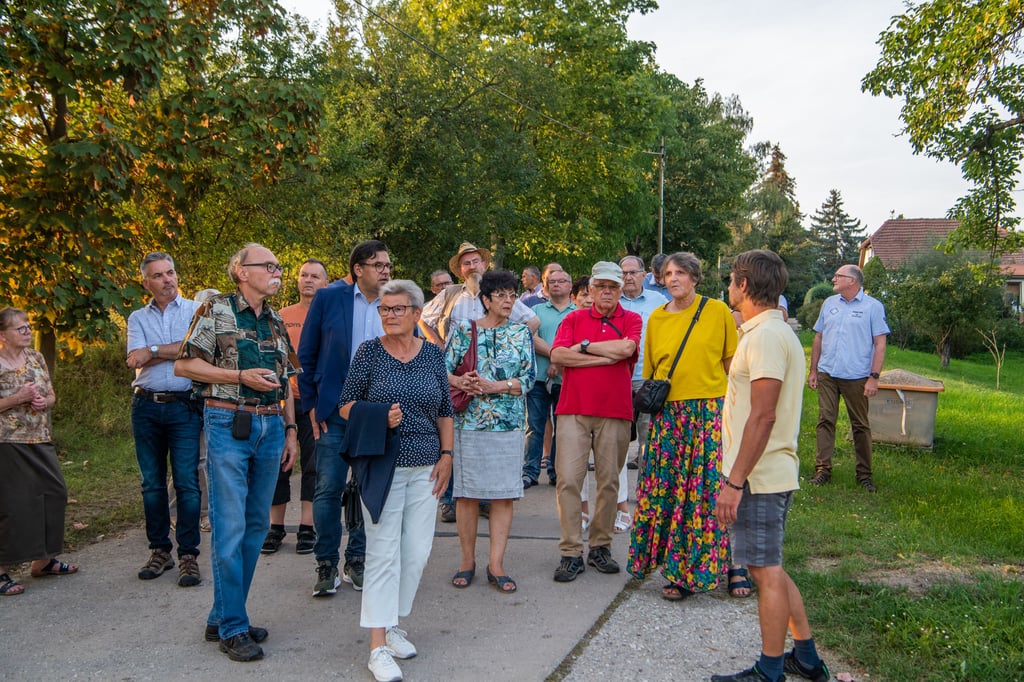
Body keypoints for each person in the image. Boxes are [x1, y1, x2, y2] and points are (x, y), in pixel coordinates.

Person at [174, 243, 299, 663]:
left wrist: (291, 430)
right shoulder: (216, 310)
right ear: (242, 272)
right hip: (229, 422)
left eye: (278, 265)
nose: (277, 270)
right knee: (229, 528)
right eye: (269, 265)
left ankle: (224, 615)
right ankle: (232, 628)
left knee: (256, 525)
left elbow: (287, 381)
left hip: (271, 426)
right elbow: (185, 366)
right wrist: (239, 375)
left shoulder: (275, 319)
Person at [712, 249, 830, 682]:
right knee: (771, 566)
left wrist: (735, 480)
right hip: (768, 471)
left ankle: (770, 670)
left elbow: (763, 415)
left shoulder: (763, 337)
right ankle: (807, 658)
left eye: (731, 280)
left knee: (764, 571)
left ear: (744, 286)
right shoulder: (770, 331)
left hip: (759, 475)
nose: (728, 287)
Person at [337, 279, 454, 682]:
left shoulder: (432, 356)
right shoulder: (369, 353)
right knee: (383, 553)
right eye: (384, 309)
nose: (389, 315)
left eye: (398, 309)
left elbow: (444, 410)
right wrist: (378, 414)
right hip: (382, 465)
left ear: (417, 313)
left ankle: (392, 625)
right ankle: (377, 647)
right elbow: (345, 405)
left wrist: (447, 456)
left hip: (426, 467)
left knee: (417, 552)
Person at [627, 252, 738, 601]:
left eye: (680, 273)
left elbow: (731, 364)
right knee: (668, 492)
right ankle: (673, 570)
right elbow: (654, 366)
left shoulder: (716, 311)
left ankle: (716, 567)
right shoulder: (657, 318)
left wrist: (734, 411)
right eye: (668, 273)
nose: (672, 278)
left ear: (694, 277)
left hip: (706, 412)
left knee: (703, 494)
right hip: (667, 416)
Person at [419, 241, 539, 522]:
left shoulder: (503, 295)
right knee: (452, 442)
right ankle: (449, 499)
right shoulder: (450, 294)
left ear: (485, 264)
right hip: (459, 379)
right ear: (460, 270)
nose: (472, 266)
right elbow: (423, 318)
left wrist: (509, 341)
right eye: (466, 263)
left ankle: (485, 499)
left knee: (486, 449)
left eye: (476, 261)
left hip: (495, 390)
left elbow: (531, 322)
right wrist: (437, 344)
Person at [299, 241, 388, 595]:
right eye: (377, 264)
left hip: (377, 414)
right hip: (333, 411)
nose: (385, 270)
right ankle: (325, 564)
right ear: (358, 269)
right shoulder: (329, 299)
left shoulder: (395, 302)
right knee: (327, 489)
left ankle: (357, 560)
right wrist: (311, 406)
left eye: (387, 265)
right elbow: (306, 353)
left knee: (369, 491)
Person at [550, 261, 641, 582]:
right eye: (601, 286)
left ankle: (600, 546)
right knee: (569, 480)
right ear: (589, 289)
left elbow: (628, 347)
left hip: (615, 410)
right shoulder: (574, 318)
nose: (606, 292)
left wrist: (585, 348)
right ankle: (571, 551)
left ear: (620, 290)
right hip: (573, 409)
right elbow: (559, 356)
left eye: (613, 287)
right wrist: (607, 357)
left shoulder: (631, 318)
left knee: (609, 482)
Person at [446, 270, 536, 594]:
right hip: (469, 422)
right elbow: (444, 372)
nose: (509, 300)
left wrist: (499, 385)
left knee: (503, 494)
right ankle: (466, 561)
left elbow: (528, 378)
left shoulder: (521, 334)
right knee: (466, 493)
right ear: (486, 300)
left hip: (508, 425)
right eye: (501, 295)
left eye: (512, 295)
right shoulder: (463, 332)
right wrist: (462, 381)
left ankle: (496, 564)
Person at [126, 252, 203, 587]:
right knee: (152, 484)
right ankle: (160, 550)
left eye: (171, 272)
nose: (167, 279)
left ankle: (189, 554)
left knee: (186, 481)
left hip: (184, 406)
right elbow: (133, 359)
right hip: (145, 407)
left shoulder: (196, 311)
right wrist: (169, 350)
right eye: (158, 275)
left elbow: (195, 350)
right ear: (147, 282)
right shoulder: (136, 317)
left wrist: (153, 351)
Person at [0, 308, 78, 596]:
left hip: (40, 437)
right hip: (8, 442)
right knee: (13, 506)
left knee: (54, 492)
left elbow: (51, 394)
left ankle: (43, 560)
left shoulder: (36, 357)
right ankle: (1, 569)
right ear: (2, 335)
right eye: (19, 328)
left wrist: (45, 402)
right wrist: (17, 398)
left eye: (27, 326)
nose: (26, 331)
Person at [262, 259, 329, 555]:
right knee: (279, 465)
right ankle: (275, 528)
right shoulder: (280, 315)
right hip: (284, 400)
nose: (308, 280)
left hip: (318, 402)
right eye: (304, 275)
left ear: (326, 283)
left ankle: (306, 527)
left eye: (315, 276)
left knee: (314, 466)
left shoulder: (331, 315)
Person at [807, 264, 889, 492]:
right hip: (828, 373)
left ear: (852, 280)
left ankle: (864, 475)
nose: (833, 278)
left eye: (838, 276)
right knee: (825, 421)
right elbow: (818, 337)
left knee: (860, 425)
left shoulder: (873, 307)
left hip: (857, 376)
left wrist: (874, 377)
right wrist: (813, 370)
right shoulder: (829, 304)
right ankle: (823, 470)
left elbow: (880, 343)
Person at [521, 264, 574, 488]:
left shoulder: (578, 313)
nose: (557, 285)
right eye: (552, 282)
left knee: (562, 428)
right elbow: (529, 337)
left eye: (561, 281)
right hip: (538, 379)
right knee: (534, 426)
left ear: (570, 286)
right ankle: (530, 471)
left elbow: (580, 344)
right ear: (545, 286)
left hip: (567, 380)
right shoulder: (537, 312)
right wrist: (555, 357)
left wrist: (559, 362)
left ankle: (555, 471)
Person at [618, 255, 667, 475]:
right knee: (616, 439)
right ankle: (616, 497)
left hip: (647, 378)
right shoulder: (612, 301)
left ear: (643, 275)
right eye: (624, 273)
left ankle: (644, 492)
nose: (628, 277)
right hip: (616, 378)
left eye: (632, 273)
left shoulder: (658, 301)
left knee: (647, 439)